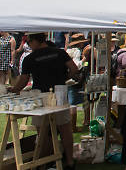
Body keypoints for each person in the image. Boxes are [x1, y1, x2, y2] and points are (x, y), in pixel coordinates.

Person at [11, 33, 78, 170]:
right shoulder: (59, 53)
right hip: (59, 93)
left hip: (40, 96)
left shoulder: (30, 58)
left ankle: (45, 162)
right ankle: (69, 162)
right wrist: (62, 79)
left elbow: (23, 80)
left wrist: (14, 89)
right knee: (64, 128)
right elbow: (74, 69)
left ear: (35, 40)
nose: (28, 45)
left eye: (29, 42)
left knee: (43, 132)